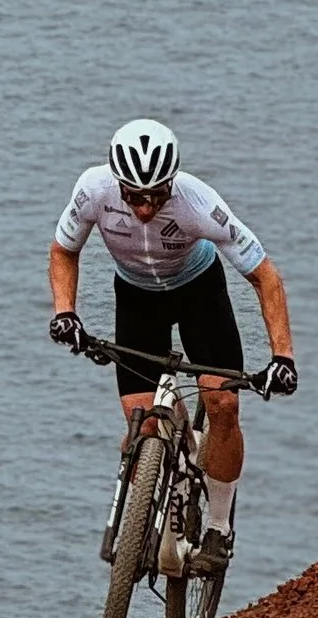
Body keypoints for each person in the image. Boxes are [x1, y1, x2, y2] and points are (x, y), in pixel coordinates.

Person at [47, 117, 296, 568]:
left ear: (172, 183)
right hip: (137, 299)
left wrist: (283, 356)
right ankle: (177, 454)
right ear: (117, 182)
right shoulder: (94, 190)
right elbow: (64, 250)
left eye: (156, 196)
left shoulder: (198, 202)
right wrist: (65, 312)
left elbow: (265, 276)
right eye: (134, 196)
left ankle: (219, 527)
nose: (144, 208)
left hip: (199, 292)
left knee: (222, 405)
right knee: (141, 421)